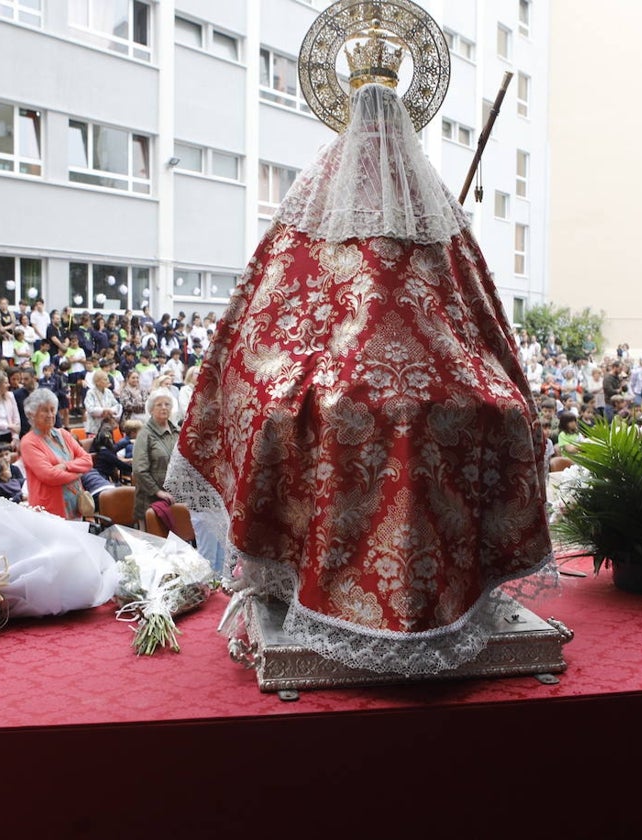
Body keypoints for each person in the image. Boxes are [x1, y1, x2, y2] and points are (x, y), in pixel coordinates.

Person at [168, 61, 553, 675]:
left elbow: (254, 331)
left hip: (376, 391)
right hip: (407, 392)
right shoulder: (342, 224)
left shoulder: (433, 230)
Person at [19, 388, 93, 519]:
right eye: (44, 410)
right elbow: (50, 476)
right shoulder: (28, 443)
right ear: (32, 414)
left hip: (76, 506)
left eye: (52, 409)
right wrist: (78, 473)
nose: (50, 414)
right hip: (50, 510)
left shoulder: (63, 434)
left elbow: (87, 460)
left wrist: (66, 467)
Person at [133, 390, 179, 524]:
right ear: (151, 409)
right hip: (151, 501)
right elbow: (139, 470)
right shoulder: (145, 434)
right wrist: (157, 491)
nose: (164, 407)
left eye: (167, 404)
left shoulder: (176, 432)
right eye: (159, 404)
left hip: (174, 499)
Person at [83, 368, 121, 435]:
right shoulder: (90, 393)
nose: (108, 381)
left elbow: (117, 405)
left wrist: (111, 410)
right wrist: (103, 410)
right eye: (105, 379)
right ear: (97, 382)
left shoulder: (108, 392)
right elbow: (90, 409)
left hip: (107, 426)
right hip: (94, 427)